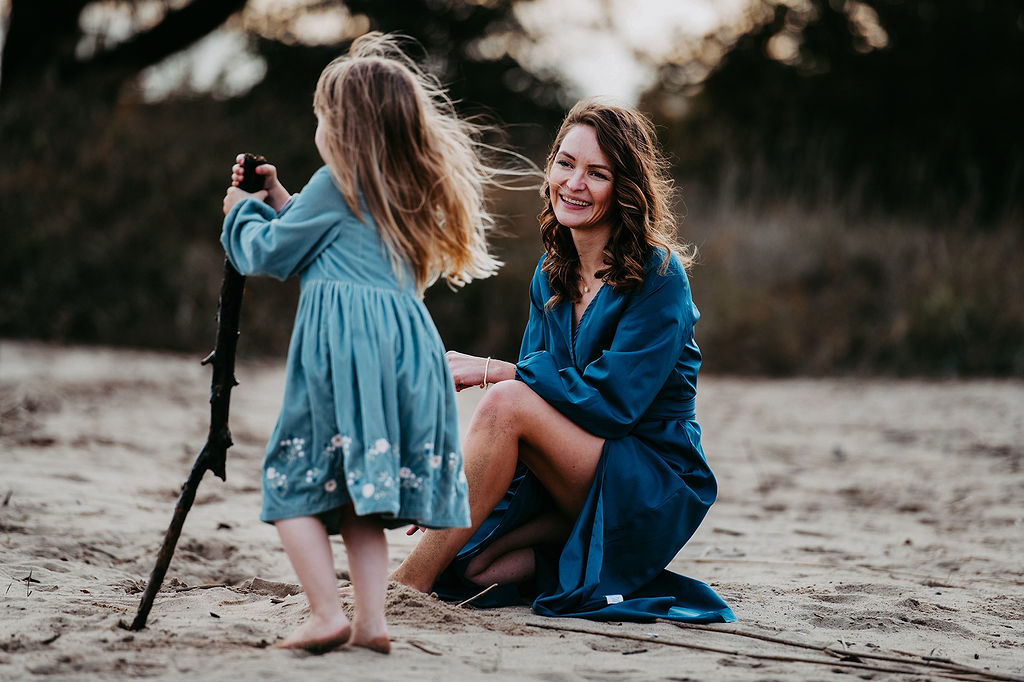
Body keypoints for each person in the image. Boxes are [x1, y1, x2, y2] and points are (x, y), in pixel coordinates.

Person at [390, 99, 736, 624]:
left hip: (649, 477)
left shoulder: (659, 276)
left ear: (624, 188)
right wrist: (455, 489)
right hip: (578, 471)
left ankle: (402, 585)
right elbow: (537, 411)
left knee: (505, 398)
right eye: (566, 163)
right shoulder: (552, 272)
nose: (574, 183)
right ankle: (573, 555)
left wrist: (499, 370)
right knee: (479, 569)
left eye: (597, 173)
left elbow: (613, 405)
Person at [220, 32, 507, 653]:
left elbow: (272, 254)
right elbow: (329, 245)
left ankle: (326, 613)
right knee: (359, 500)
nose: (320, 130)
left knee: (290, 484)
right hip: (405, 363)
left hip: (343, 361)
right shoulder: (402, 194)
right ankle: (371, 623)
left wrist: (241, 211)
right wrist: (277, 196)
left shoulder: (336, 184)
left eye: (324, 119)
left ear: (345, 129)